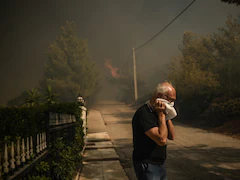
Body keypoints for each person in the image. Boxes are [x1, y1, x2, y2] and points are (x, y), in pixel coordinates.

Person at [132, 81, 176, 180]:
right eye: (170, 100)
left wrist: (167, 115)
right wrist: (161, 115)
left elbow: (172, 136)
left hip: (160, 163)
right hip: (147, 164)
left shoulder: (160, 113)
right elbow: (161, 140)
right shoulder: (144, 113)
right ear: (160, 96)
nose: (172, 104)